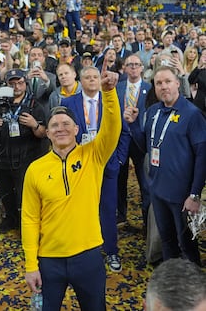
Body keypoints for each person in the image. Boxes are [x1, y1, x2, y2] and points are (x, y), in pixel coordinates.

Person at [22, 58, 121, 310]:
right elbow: (30, 219)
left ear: (77, 129)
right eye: (54, 125)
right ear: (48, 133)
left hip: (88, 255)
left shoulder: (94, 155)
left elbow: (111, 128)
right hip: (49, 260)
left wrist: (108, 94)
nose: (60, 128)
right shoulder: (35, 169)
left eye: (66, 123)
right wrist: (31, 265)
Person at [124, 66, 206, 265]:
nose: (163, 86)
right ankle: (172, 282)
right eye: (159, 83)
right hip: (158, 190)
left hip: (182, 194)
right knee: (167, 241)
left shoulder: (192, 114)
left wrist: (195, 194)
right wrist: (134, 125)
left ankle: (193, 286)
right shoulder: (153, 111)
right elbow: (145, 146)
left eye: (168, 81)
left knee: (187, 244)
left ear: (178, 83)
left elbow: (203, 156)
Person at [62, 66, 130, 272]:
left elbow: (124, 132)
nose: (92, 80)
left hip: (107, 166)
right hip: (79, 166)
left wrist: (118, 160)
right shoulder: (68, 102)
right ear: (80, 81)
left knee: (108, 210)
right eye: (87, 77)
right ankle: (81, 250)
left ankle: (111, 252)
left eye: (95, 77)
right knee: (80, 210)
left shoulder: (111, 99)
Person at [0, 69, 48, 233]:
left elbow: (45, 133)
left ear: (25, 83)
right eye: (12, 83)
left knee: (24, 195)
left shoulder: (34, 105)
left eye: (20, 83)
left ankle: (26, 224)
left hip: (27, 158)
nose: (16, 86)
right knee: (5, 192)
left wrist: (34, 125)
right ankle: (10, 218)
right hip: (2, 156)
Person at [116, 55, 151, 226]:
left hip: (141, 141)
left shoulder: (149, 88)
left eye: (137, 65)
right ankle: (121, 216)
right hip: (120, 140)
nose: (134, 68)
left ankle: (146, 220)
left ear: (142, 68)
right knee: (118, 181)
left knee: (145, 183)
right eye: (130, 65)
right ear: (125, 68)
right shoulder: (118, 87)